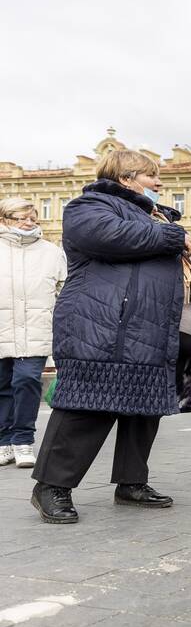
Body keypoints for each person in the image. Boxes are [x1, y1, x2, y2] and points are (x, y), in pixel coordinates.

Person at [31, 149, 191, 524]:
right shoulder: (88, 207)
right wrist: (174, 235)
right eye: (152, 176)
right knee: (87, 406)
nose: (158, 183)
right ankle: (51, 487)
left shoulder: (158, 217)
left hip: (150, 329)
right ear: (126, 178)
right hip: (101, 325)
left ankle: (132, 482)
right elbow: (114, 236)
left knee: (143, 408)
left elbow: (164, 264)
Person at [0, 198, 66, 469]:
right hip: (2, 327)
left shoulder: (51, 252)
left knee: (26, 381)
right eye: (21, 218)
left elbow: (65, 290)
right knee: (2, 387)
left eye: (32, 218)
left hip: (37, 329)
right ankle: (4, 443)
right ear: (4, 219)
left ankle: (23, 440)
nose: (28, 223)